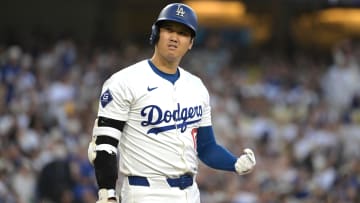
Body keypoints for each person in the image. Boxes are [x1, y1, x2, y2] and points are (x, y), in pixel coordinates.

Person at [87, 3, 256, 203]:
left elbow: (207, 147)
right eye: (168, 30)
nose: (175, 38)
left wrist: (234, 164)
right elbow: (105, 145)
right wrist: (107, 193)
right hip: (144, 192)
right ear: (156, 33)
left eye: (183, 33)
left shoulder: (196, 86)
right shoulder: (124, 81)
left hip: (190, 193)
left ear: (191, 42)